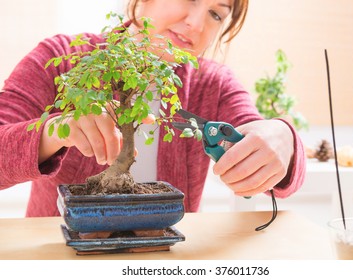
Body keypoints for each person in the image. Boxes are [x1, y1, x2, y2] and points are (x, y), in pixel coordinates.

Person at [0, 0, 306, 217]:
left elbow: (254, 132)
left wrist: (282, 137)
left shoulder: (213, 85)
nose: (197, 24)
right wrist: (58, 129)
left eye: (215, 13)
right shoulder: (64, 58)